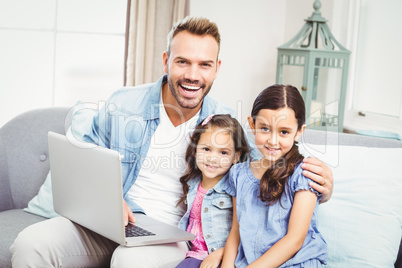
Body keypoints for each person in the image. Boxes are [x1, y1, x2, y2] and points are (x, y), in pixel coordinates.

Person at [11, 17, 333, 268]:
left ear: (216, 69)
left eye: (204, 65)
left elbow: (270, 161)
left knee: (128, 261)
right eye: (183, 62)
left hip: (170, 238)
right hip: (107, 223)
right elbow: (82, 152)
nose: (193, 74)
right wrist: (106, 198)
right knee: (31, 245)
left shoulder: (227, 125)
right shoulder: (124, 104)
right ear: (166, 60)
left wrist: (324, 189)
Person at [221, 84, 327, 268]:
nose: (273, 140)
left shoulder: (304, 173)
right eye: (265, 129)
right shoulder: (238, 174)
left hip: (297, 263)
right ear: (252, 125)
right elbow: (236, 232)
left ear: (299, 132)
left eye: (284, 132)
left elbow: (295, 239)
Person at [176, 114, 249, 268]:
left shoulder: (235, 189)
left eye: (223, 153)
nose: (213, 158)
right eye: (207, 149)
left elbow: (244, 232)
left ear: (236, 156)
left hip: (223, 256)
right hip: (194, 253)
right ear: (195, 150)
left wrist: (220, 254)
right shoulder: (193, 183)